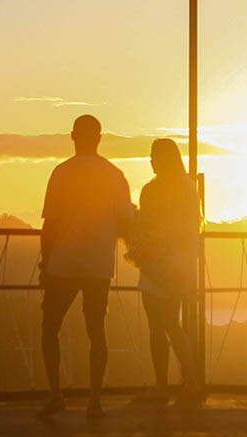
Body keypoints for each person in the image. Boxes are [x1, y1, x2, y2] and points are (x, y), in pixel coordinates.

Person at [37, 114, 135, 418]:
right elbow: (126, 222)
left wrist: (45, 263)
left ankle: (56, 395)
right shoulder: (115, 175)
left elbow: (49, 225)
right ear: (100, 138)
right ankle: (94, 400)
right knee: (97, 329)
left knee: (49, 327)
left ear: (72, 137)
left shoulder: (61, 173)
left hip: (63, 261)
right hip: (98, 262)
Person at [126, 138, 203, 405]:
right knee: (173, 323)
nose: (150, 160)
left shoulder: (152, 190)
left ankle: (161, 385)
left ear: (162, 159)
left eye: (153, 156)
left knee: (156, 326)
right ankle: (191, 381)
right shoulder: (188, 189)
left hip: (155, 263)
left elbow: (147, 228)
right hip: (180, 266)